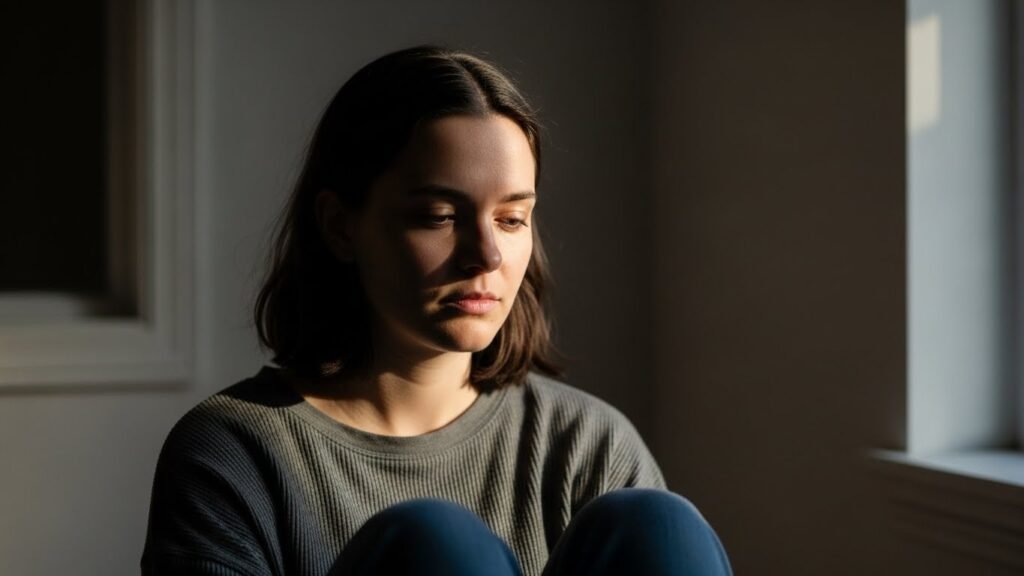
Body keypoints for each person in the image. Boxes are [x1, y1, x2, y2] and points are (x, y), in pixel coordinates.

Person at [141, 45, 732, 576]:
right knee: (438, 548)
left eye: (511, 219)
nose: (486, 256)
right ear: (341, 226)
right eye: (440, 217)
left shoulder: (586, 446)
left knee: (661, 526)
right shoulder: (235, 451)